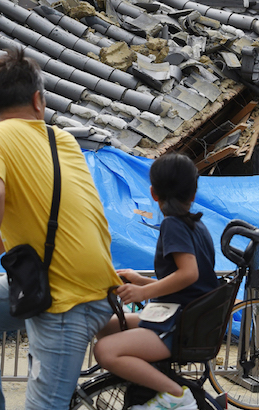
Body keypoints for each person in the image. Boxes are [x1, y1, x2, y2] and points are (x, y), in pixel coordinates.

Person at [0, 47, 122, 410]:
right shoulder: (63, 140)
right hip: (84, 279)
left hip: (65, 297)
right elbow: (37, 219)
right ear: (39, 101)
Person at [93, 153, 218, 410]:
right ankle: (146, 385)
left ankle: (175, 395)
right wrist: (139, 281)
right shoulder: (197, 225)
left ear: (153, 192)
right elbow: (189, 281)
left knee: (105, 351)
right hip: (182, 319)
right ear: (193, 194)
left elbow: (188, 273)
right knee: (103, 326)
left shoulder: (173, 224)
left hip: (177, 324)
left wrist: (143, 292)